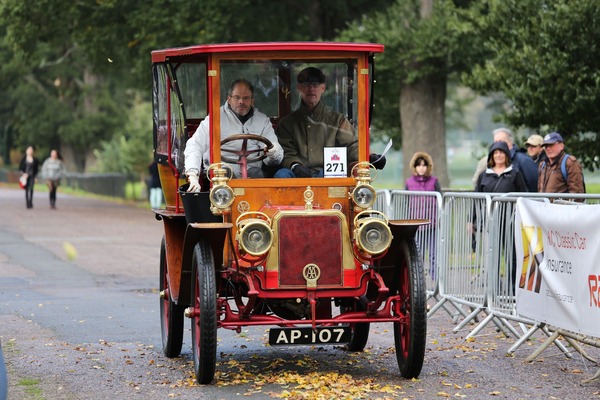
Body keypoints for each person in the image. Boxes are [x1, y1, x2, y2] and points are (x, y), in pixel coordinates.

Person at [274, 67, 385, 178]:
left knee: (332, 176)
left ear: (323, 88)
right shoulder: (287, 123)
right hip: (297, 173)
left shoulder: (337, 120)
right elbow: (286, 151)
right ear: (299, 88)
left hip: (327, 173)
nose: (311, 88)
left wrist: (370, 157)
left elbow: (353, 144)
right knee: (281, 175)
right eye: (306, 84)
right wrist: (295, 165)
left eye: (316, 84)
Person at [184, 78, 284, 191]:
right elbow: (195, 145)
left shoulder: (262, 121)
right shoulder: (214, 118)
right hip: (222, 173)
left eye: (246, 98)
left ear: (252, 101)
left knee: (258, 175)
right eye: (237, 97)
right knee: (224, 174)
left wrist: (273, 152)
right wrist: (192, 175)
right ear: (229, 99)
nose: (241, 101)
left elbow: (275, 156)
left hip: (252, 174)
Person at [405, 151, 441, 279]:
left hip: (432, 223)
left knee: (433, 253)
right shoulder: (409, 183)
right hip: (416, 225)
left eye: (424, 165)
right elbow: (405, 202)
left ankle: (435, 279)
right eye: (418, 165)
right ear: (414, 167)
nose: (421, 168)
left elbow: (440, 200)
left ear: (428, 167)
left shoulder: (434, 181)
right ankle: (417, 278)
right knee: (417, 253)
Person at [471, 128, 538, 192]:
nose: (498, 155)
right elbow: (477, 186)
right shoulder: (484, 168)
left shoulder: (523, 160)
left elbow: (533, 183)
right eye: (496, 142)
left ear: (510, 141)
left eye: (501, 141)